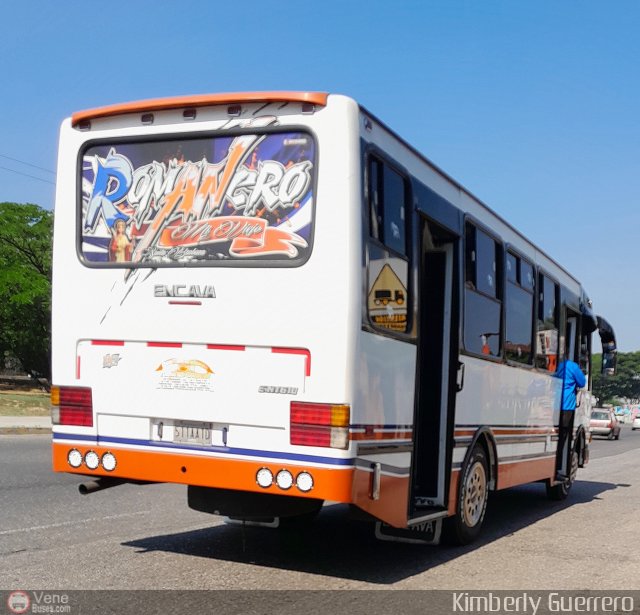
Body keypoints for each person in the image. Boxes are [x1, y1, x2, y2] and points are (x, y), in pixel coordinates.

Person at [554, 359, 586, 478]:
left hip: (555, 403)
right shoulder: (572, 366)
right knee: (563, 438)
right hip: (567, 406)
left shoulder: (557, 364)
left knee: (556, 436)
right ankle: (558, 468)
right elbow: (582, 382)